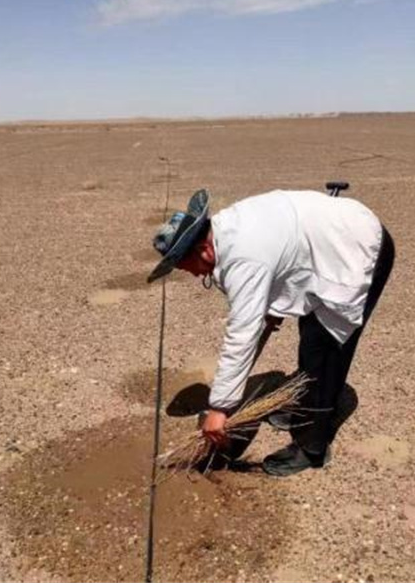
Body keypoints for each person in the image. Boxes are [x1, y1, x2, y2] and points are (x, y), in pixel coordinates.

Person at [147, 187, 395, 476]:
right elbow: (277, 261)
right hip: (328, 244)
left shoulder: (243, 257)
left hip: (359, 248)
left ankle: (312, 448)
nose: (193, 274)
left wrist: (219, 409)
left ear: (204, 250)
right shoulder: (227, 230)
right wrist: (271, 308)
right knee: (313, 340)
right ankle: (305, 407)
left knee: (323, 349)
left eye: (188, 266)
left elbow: (241, 333)